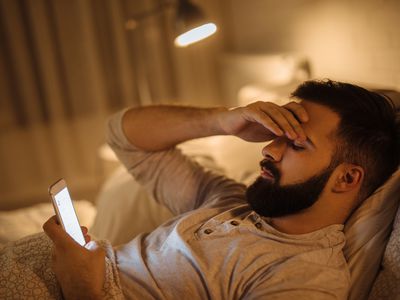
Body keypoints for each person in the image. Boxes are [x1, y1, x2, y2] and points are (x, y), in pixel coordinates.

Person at [40, 79, 398, 299]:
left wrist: (83, 291)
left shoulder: (305, 279)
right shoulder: (230, 200)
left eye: (296, 145)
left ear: (347, 179)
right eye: (277, 136)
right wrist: (223, 120)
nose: (269, 150)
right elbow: (123, 135)